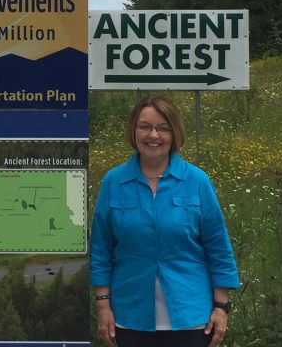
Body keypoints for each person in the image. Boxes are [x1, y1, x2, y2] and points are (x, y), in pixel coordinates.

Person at [90, 94, 239, 347]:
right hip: (130, 316)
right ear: (133, 131)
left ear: (174, 133)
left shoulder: (197, 181)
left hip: (191, 317)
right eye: (145, 127)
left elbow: (218, 248)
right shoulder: (113, 182)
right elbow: (101, 249)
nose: (153, 136)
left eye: (163, 128)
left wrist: (221, 307)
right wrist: (103, 305)